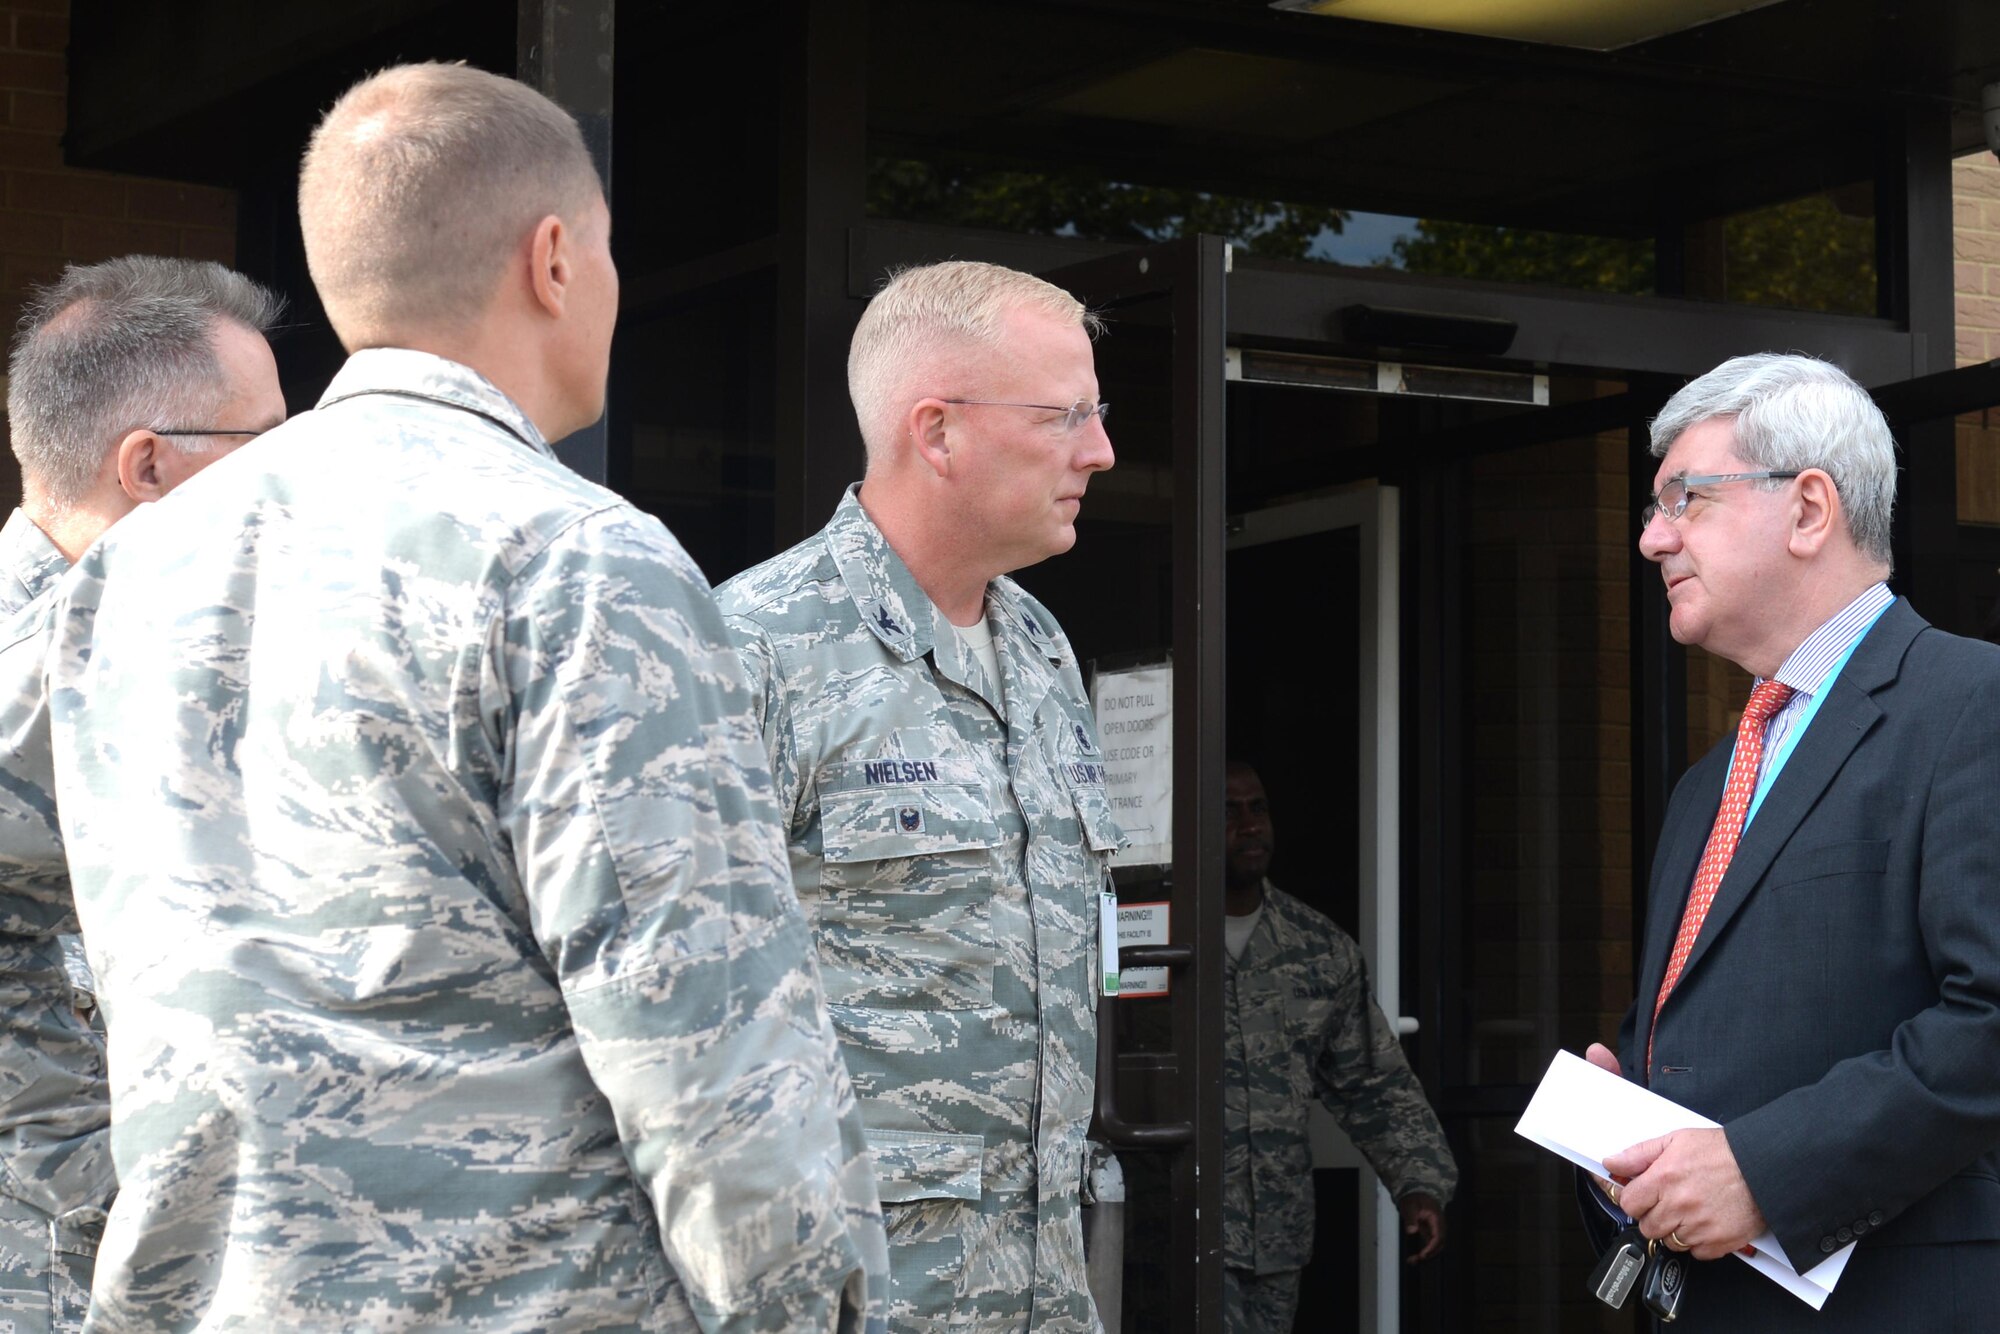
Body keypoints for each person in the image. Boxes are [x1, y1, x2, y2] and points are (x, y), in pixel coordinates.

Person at [33, 63, 886, 1331]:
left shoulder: (125, 571)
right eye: (603, 249)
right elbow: (707, 1040)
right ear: (553, 258)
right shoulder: (580, 557)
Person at [715, 259, 1122, 1332]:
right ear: (935, 431)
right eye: (1065, 415)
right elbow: (673, 1004)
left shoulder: (1039, 647)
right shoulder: (754, 647)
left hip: (1040, 1290)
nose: (1100, 450)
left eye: (1097, 411)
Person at [1584, 352, 2000, 1332]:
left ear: (1808, 507)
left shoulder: (1969, 704)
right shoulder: (1705, 785)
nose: (1650, 539)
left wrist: (1767, 1174)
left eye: (1682, 498)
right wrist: (1623, 1150)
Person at [0, 254, 286, 1334]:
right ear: (150, 465)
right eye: (265, 446)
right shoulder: (43, 679)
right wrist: (132, 1211)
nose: (290, 483)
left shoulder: (155, 658)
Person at [1219, 761, 1455, 1334]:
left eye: (1259, 808)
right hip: (1167, 1235)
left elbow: (1374, 1084)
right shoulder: (1146, 936)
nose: (1250, 826)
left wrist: (1419, 1182)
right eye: (1228, 812)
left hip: (1273, 1241)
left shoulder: (1317, 949)